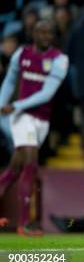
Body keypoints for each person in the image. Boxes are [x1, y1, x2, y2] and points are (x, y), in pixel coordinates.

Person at [0, 20, 69, 235]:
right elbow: (10, 81)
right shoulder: (21, 54)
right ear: (33, 33)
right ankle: (24, 222)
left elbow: (47, 94)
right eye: (42, 32)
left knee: (14, 169)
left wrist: (15, 104)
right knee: (31, 162)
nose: (46, 36)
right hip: (22, 118)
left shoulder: (59, 60)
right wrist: (2, 104)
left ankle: (23, 221)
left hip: (41, 120)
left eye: (50, 32)